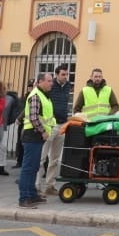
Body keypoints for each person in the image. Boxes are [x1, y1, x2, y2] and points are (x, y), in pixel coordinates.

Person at [18, 72, 57, 207]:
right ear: (40, 82)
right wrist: (43, 131)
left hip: (37, 136)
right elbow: (34, 117)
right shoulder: (36, 95)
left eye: (51, 81)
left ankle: (32, 195)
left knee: (34, 167)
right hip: (33, 134)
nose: (51, 83)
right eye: (49, 81)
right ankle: (24, 197)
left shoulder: (45, 96)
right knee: (28, 168)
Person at [42, 65, 74, 195]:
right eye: (63, 74)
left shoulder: (67, 86)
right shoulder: (51, 86)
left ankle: (50, 185)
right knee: (42, 158)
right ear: (56, 75)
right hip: (50, 125)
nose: (65, 77)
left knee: (55, 159)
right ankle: (37, 186)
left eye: (67, 74)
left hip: (62, 125)